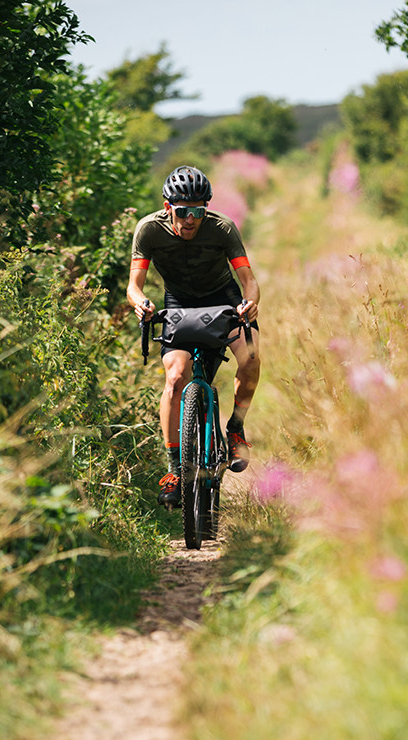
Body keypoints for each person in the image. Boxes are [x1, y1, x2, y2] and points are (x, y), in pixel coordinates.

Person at [127, 165, 260, 509]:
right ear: (167, 206)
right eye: (183, 211)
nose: (190, 219)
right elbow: (134, 286)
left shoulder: (222, 228)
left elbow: (248, 279)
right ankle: (174, 469)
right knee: (174, 378)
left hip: (224, 299)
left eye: (198, 211)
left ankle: (235, 428)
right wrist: (140, 303)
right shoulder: (148, 229)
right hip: (179, 303)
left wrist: (251, 303)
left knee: (250, 358)